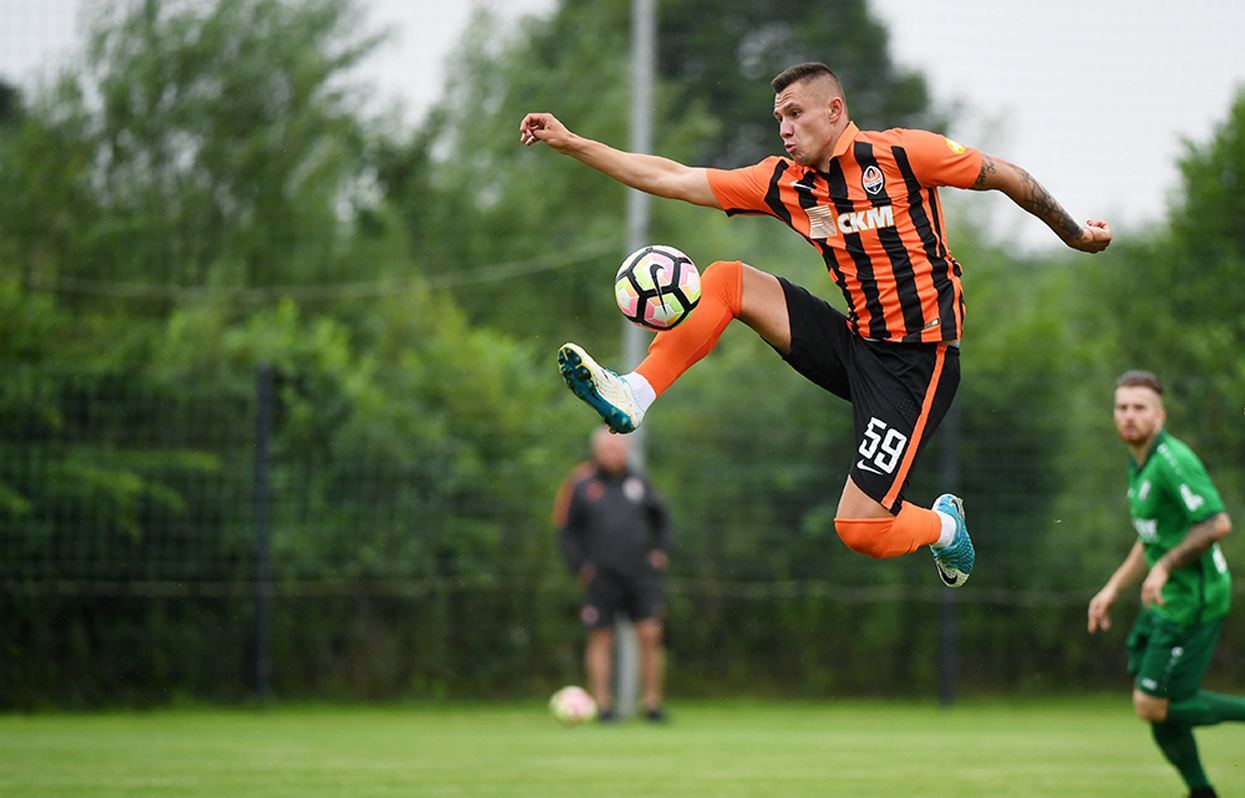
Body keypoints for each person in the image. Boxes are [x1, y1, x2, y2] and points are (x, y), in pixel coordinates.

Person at [521, 62, 1110, 588]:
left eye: (795, 114)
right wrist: (573, 143)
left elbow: (1006, 174)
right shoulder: (786, 182)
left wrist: (1076, 236)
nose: (783, 129)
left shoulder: (904, 154)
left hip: (917, 365)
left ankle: (942, 525)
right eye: (778, 118)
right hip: (854, 343)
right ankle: (637, 391)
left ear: (835, 111)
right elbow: (672, 176)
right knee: (727, 278)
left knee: (859, 528)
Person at [1088, 370, 1245, 798]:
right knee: (1154, 707)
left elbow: (1217, 523)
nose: (1129, 416)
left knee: (1153, 705)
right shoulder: (1138, 462)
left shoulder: (1173, 460)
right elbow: (1151, 537)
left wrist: (1166, 568)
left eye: (1139, 408)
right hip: (1165, 597)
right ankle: (1201, 792)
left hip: (1193, 599)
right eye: (1122, 407)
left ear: (1160, 415)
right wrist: (1113, 589)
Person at [552, 427, 671, 722]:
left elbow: (662, 518)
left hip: (639, 572)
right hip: (600, 574)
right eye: (608, 449)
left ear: (627, 451)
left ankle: (652, 706)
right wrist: (579, 565)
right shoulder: (580, 483)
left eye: (619, 449)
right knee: (601, 637)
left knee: (650, 633)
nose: (614, 454)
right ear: (597, 451)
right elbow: (564, 529)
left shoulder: (639, 481)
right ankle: (604, 707)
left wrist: (661, 552)